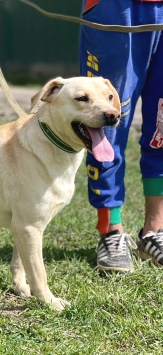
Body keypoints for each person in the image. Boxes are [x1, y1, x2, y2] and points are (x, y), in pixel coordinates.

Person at [80, 0, 163, 272]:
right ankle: (111, 231)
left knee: (162, 125)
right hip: (117, 7)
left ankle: (154, 231)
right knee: (105, 117)